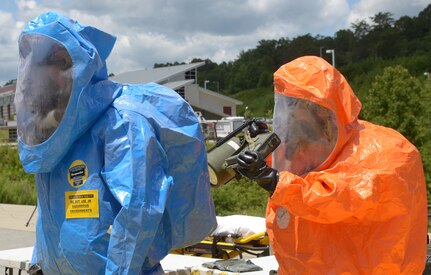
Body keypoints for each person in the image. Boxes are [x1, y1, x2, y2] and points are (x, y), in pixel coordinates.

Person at [15, 12, 217, 274]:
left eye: (53, 61)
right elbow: (49, 209)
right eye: (35, 63)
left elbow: (139, 210)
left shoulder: (120, 120)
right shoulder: (53, 133)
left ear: (75, 66)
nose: (38, 73)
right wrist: (39, 261)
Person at [236, 56, 428, 274]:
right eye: (287, 104)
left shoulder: (383, 152)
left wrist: (274, 181)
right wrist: (266, 154)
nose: (291, 113)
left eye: (298, 105)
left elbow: (336, 198)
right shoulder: (323, 139)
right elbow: (302, 165)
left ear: (323, 109)